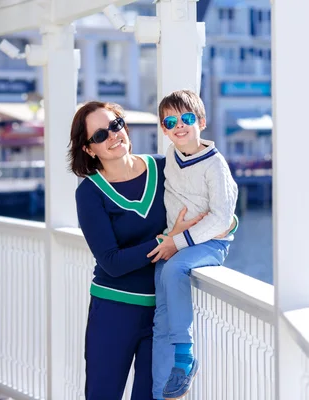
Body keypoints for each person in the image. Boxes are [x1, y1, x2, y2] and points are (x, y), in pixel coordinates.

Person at [68, 101, 235, 400]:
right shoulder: (90, 192)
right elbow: (111, 263)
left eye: (116, 125)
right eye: (99, 135)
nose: (113, 136)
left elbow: (214, 206)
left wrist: (228, 223)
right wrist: (166, 241)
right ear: (89, 149)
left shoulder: (165, 166)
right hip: (114, 311)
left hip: (162, 313)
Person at [147, 89, 238, 399]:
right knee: (160, 318)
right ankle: (161, 393)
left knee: (174, 272)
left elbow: (222, 218)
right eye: (170, 121)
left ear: (202, 121)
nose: (179, 126)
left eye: (186, 119)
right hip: (177, 242)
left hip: (210, 243)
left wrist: (178, 241)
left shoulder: (215, 164)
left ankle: (184, 356)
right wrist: (172, 238)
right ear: (163, 128)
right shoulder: (171, 157)